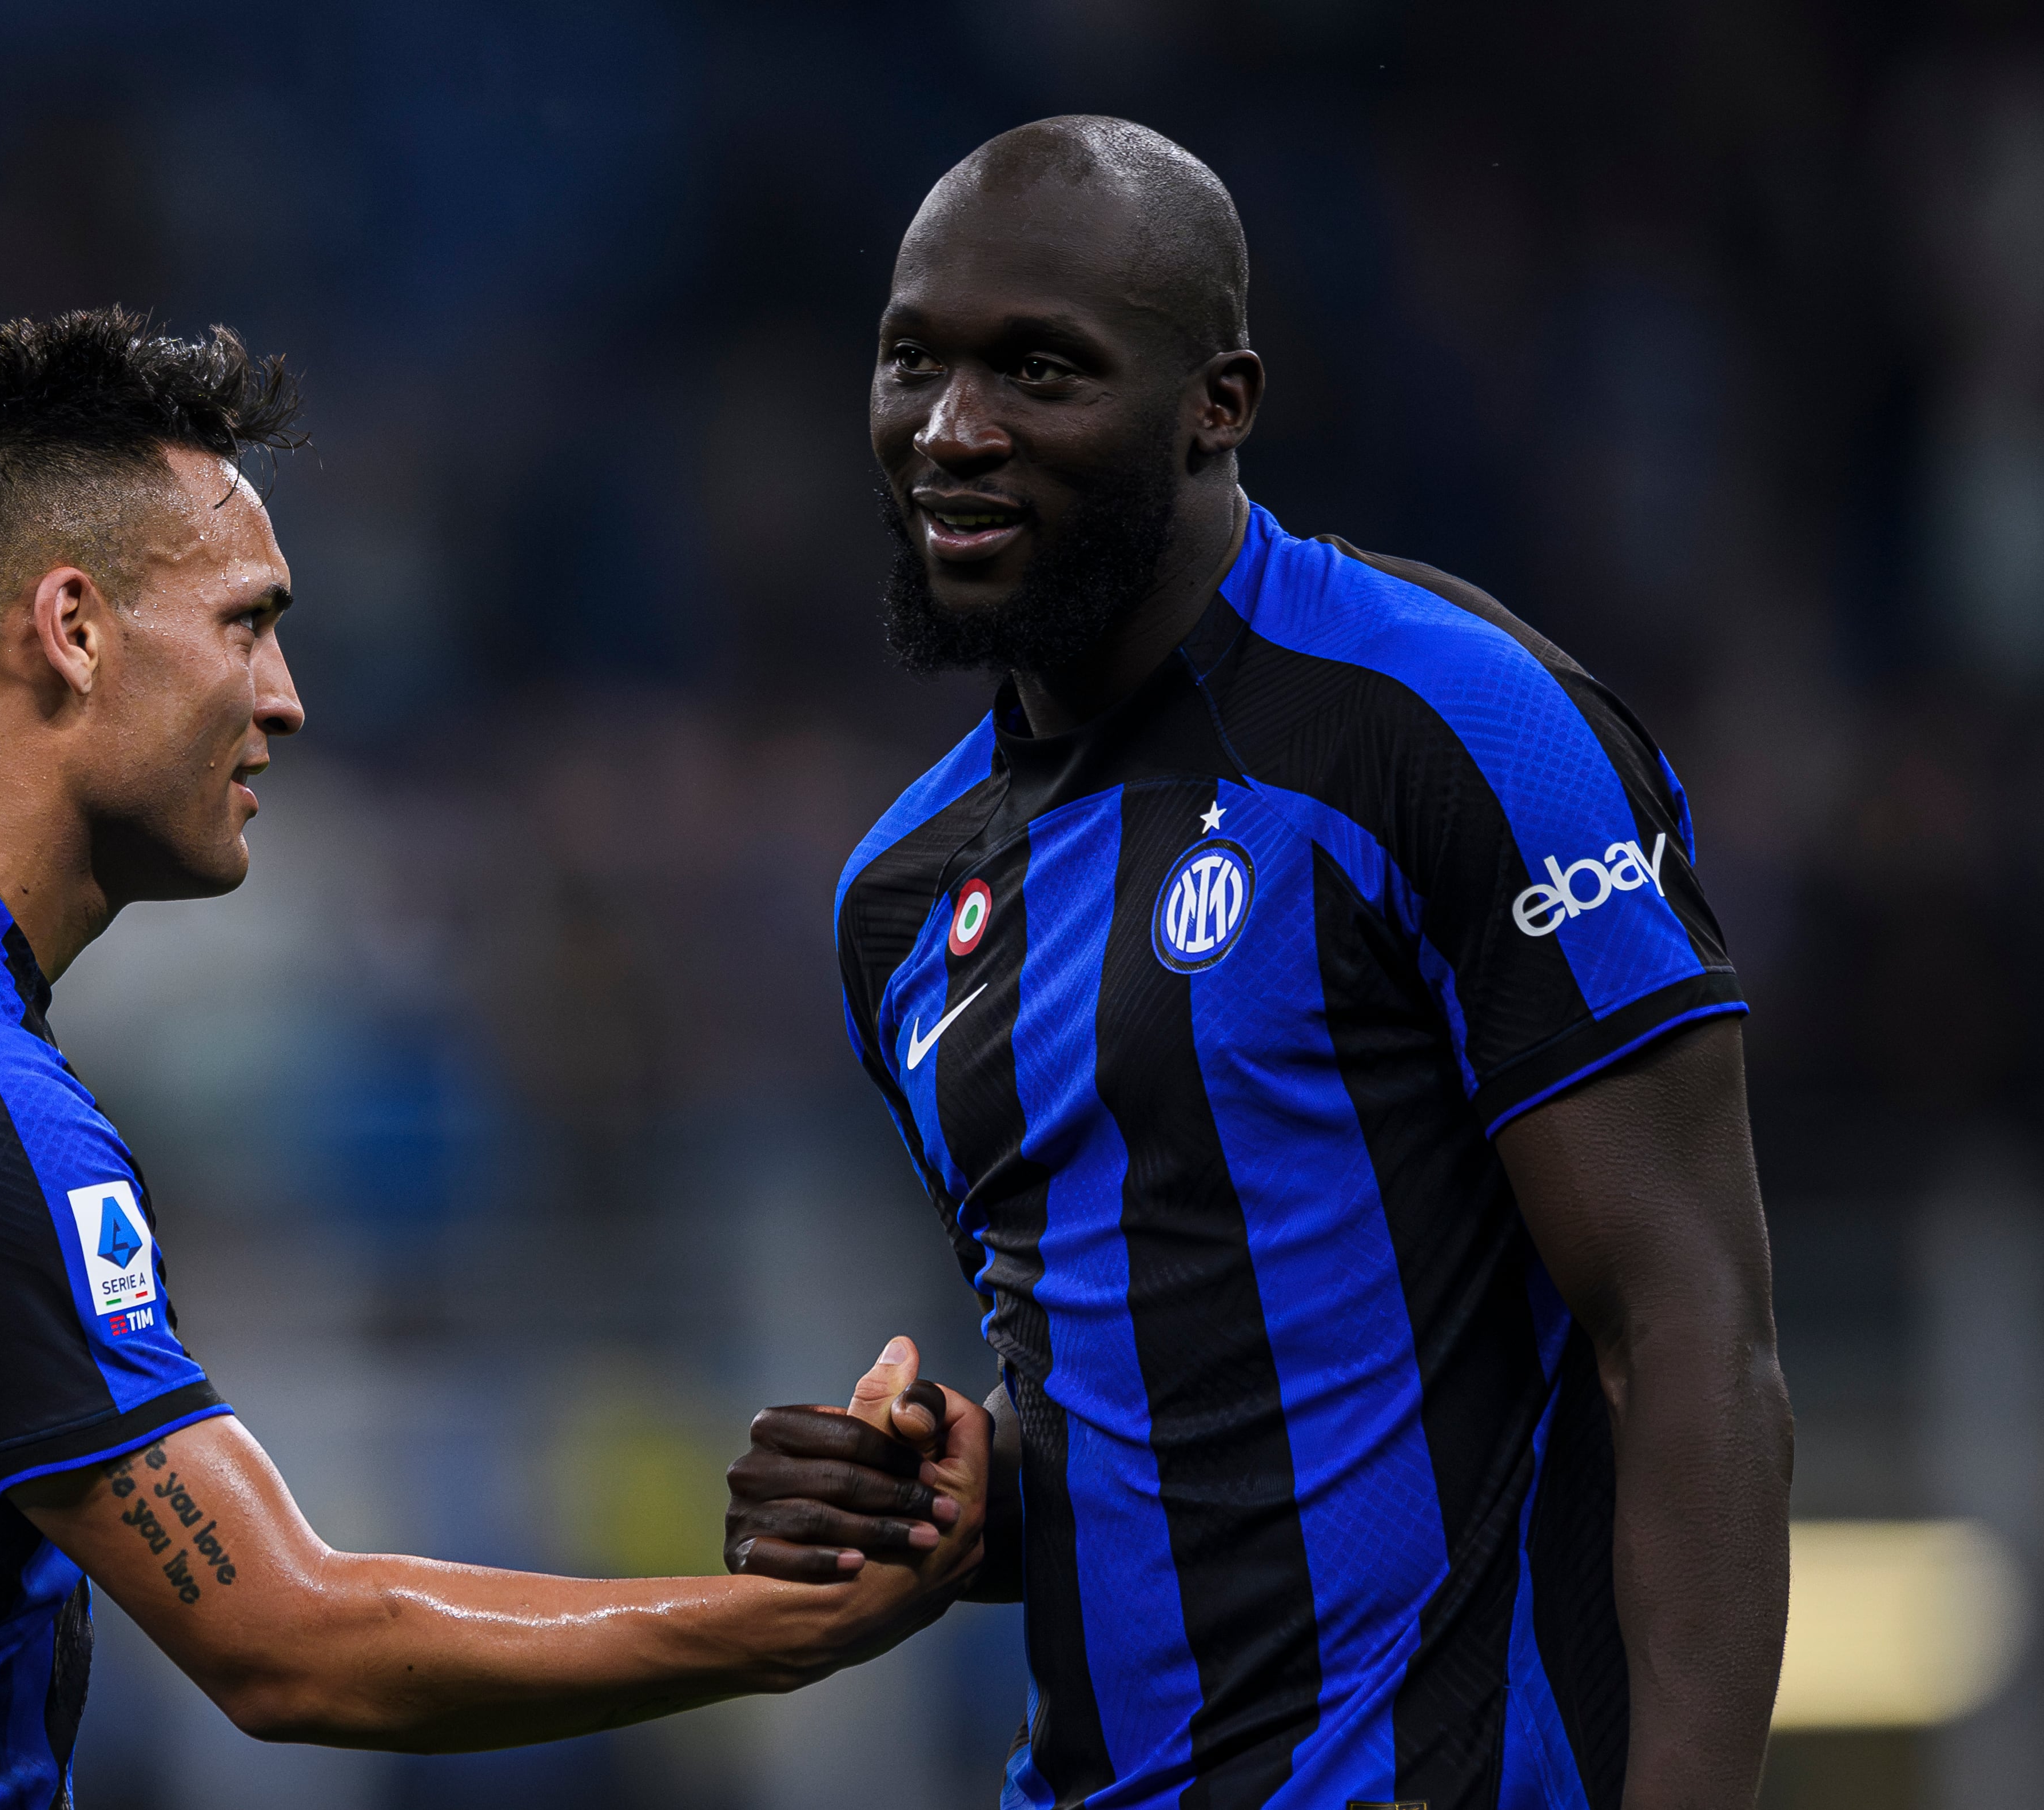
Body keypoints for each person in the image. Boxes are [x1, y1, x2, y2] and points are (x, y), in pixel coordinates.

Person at [0, 307, 986, 1810]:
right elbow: (291, 1647)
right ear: (74, 629)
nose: (287, 697)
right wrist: (777, 1628)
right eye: (246, 622)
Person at [722, 118, 1792, 1810]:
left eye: (1038, 371)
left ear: (1217, 404)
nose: (951, 431)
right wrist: (947, 1495)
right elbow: (1156, 1422)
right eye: (910, 360)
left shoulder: (1447, 728)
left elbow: (1685, 1336)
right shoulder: (897, 906)